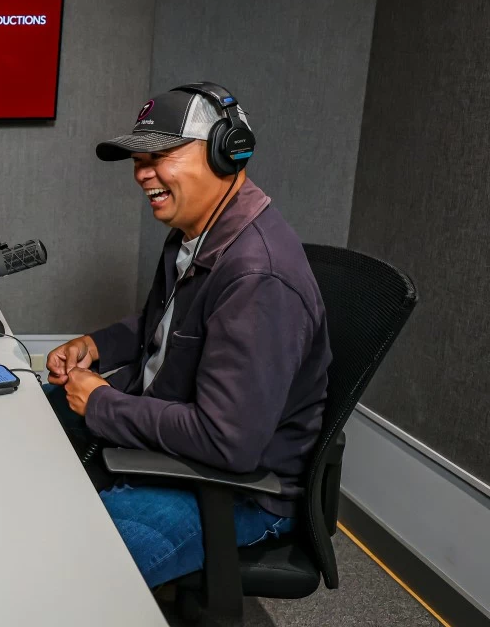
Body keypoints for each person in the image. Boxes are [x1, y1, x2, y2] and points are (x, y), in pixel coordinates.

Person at [44, 82, 330, 589]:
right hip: (170, 434)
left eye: (162, 155)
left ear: (227, 151)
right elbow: (172, 326)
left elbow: (228, 443)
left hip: (233, 490)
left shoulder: (257, 276)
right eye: (138, 159)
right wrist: (97, 346)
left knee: (65, 569)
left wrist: (104, 403)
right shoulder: (196, 234)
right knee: (24, 420)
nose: (143, 174)